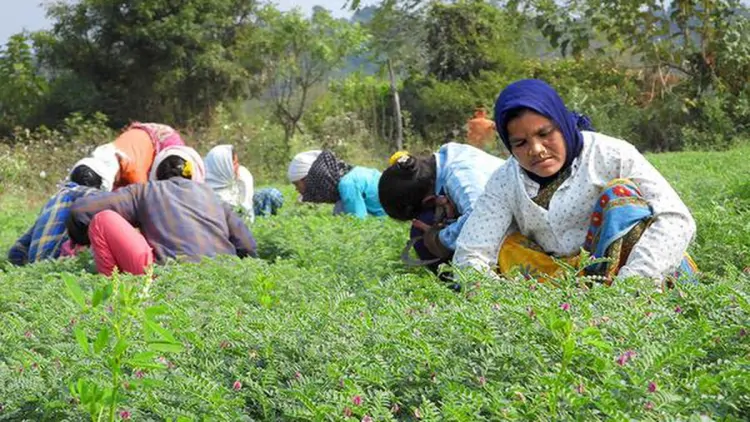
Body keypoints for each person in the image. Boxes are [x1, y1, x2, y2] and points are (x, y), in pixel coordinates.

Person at [453, 79, 697, 285]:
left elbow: (676, 220)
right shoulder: (506, 180)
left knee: (621, 198)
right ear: (510, 146)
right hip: (560, 281)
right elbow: (471, 252)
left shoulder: (610, 154)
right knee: (507, 245)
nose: (536, 150)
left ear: (562, 124)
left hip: (634, 275)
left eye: (544, 134)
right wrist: (496, 299)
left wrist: (632, 285)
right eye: (520, 143)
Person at [66, 146, 256, 276]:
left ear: (156, 174)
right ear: (195, 172)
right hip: (224, 277)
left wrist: (83, 239)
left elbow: (81, 210)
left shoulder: (145, 191)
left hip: (171, 281)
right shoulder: (212, 196)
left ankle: (115, 296)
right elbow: (247, 246)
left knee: (103, 220)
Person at [378, 143, 505, 272]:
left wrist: (438, 239)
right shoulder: (443, 159)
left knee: (421, 232)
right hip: (503, 218)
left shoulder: (459, 178)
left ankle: (464, 284)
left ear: (429, 201)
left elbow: (481, 220)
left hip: (517, 231)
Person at [7, 148, 119, 266]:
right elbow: (109, 202)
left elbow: (17, 249)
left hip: (37, 267)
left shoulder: (52, 202)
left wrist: (20, 267)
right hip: (56, 265)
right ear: (101, 185)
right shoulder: (85, 194)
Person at [287, 150, 385, 218]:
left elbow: (358, 223)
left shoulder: (347, 185)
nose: (297, 190)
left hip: (392, 219)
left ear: (308, 179)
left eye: (297, 184)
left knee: (340, 209)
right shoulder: (349, 177)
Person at [109, 122, 186, 189]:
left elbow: (144, 197)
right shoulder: (107, 155)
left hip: (163, 140)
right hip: (141, 136)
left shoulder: (136, 172)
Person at [204, 144, 255, 222]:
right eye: (234, 164)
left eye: (237, 162)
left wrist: (242, 181)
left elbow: (247, 205)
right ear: (222, 167)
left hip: (243, 215)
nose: (237, 166)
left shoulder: (242, 175)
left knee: (270, 194)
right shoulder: (204, 190)